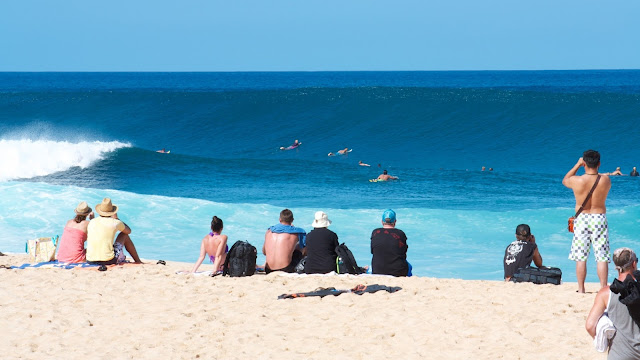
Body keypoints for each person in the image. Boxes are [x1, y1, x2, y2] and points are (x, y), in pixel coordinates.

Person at [562, 150, 612, 293]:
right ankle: (603, 288)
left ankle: (581, 288)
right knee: (602, 256)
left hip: (582, 218)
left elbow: (565, 180)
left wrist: (577, 165)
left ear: (584, 163)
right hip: (599, 217)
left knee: (581, 256)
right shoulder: (606, 180)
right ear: (599, 164)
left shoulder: (577, 180)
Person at [586, 247, 640, 359]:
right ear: (634, 264)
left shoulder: (605, 293)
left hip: (619, 354)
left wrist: (605, 340)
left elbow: (590, 326)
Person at [86, 198, 142, 265]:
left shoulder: (92, 222)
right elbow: (128, 231)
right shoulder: (115, 222)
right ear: (112, 212)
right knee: (124, 235)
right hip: (108, 260)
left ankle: (137, 261)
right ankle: (138, 261)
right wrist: (117, 218)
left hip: (90, 259)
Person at [263, 209, 307, 274]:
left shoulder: (269, 231)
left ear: (280, 219)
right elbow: (304, 250)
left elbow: (264, 252)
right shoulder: (298, 232)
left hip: (268, 269)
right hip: (285, 269)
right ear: (292, 220)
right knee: (300, 246)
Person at [371, 209, 411, 277]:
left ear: (382, 221)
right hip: (398, 271)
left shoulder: (375, 232)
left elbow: (372, 251)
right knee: (409, 266)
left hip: (377, 270)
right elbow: (403, 252)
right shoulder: (400, 233)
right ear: (395, 221)